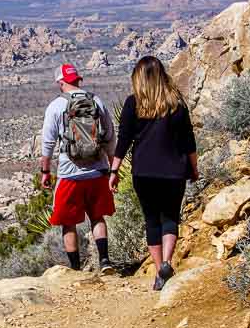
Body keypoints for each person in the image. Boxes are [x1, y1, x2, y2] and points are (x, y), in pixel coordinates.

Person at [109, 55, 199, 291]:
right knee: (170, 217)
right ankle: (168, 262)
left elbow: (124, 140)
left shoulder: (133, 104)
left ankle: (160, 269)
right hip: (174, 172)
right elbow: (189, 141)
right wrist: (194, 168)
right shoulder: (176, 103)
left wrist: (114, 170)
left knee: (151, 220)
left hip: (144, 172)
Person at [40, 63, 117, 274]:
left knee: (68, 223)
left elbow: (47, 143)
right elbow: (110, 137)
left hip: (69, 173)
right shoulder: (96, 101)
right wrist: (113, 169)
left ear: (60, 82)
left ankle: (74, 270)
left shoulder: (56, 106)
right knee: (97, 217)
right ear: (78, 79)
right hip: (98, 170)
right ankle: (105, 261)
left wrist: (45, 172)